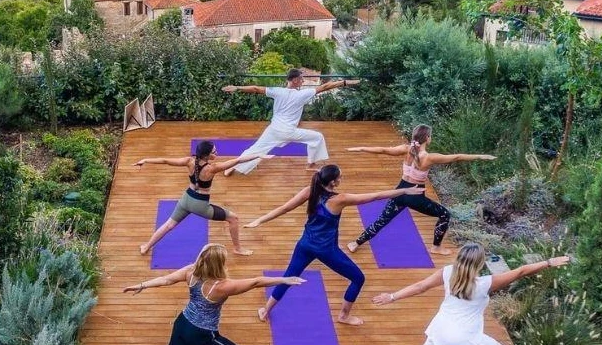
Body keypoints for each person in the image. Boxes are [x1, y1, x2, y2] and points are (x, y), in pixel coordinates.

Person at [373, 243, 571, 345]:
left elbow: (420, 287)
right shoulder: (485, 283)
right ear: (479, 263)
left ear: (458, 259)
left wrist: (391, 296)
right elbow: (520, 271)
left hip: (440, 330)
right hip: (466, 338)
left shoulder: (447, 273)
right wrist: (548, 262)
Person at [125, 244, 306, 345]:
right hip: (202, 334)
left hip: (182, 323)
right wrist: (284, 280)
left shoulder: (191, 272)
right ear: (220, 264)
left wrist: (141, 285)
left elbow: (166, 280)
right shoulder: (222, 286)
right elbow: (256, 282)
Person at [245, 165, 424, 326]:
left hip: (305, 244)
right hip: (326, 250)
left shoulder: (310, 190)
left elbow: (284, 208)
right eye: (340, 177)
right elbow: (375, 196)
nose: (341, 179)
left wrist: (259, 220)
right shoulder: (340, 199)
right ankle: (344, 316)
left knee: (288, 277)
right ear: (332, 182)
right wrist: (405, 191)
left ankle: (266, 310)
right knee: (358, 278)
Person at [345, 124, 497, 256]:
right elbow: (456, 157)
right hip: (416, 196)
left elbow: (383, 150)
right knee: (444, 214)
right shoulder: (429, 157)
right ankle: (436, 247)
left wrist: (361, 148)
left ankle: (355, 243)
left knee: (382, 220)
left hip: (399, 192)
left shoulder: (406, 149)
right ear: (428, 138)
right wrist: (481, 156)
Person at [134, 140, 274, 256]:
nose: (217, 153)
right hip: (200, 205)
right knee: (233, 218)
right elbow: (238, 160)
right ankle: (237, 248)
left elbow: (165, 160)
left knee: (168, 225)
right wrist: (258, 156)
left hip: (185, 199)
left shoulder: (189, 161)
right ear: (207, 156)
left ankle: (146, 246)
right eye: (214, 151)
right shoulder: (212, 168)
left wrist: (145, 160)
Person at [220, 68, 362, 176]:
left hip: (274, 129)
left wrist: (237, 87)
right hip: (288, 131)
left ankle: (231, 167)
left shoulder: (277, 91)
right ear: (294, 80)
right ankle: (311, 165)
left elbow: (256, 88)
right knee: (317, 137)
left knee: (256, 149)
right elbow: (325, 87)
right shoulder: (303, 94)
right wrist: (345, 82)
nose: (303, 81)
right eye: (301, 79)